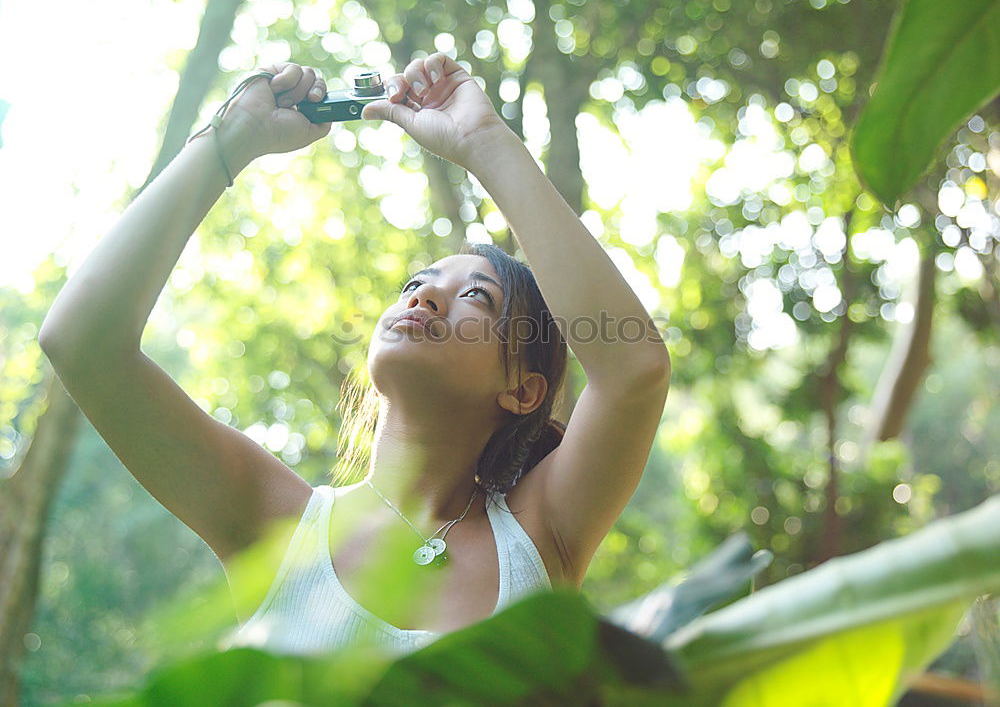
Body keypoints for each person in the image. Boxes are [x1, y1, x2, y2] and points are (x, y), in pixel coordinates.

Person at [38, 52, 672, 657]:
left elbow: (633, 372)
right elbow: (82, 343)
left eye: (475, 296)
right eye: (415, 284)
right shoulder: (278, 525)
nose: (425, 298)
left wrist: (484, 141)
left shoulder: (540, 536)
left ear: (523, 390)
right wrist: (230, 140)